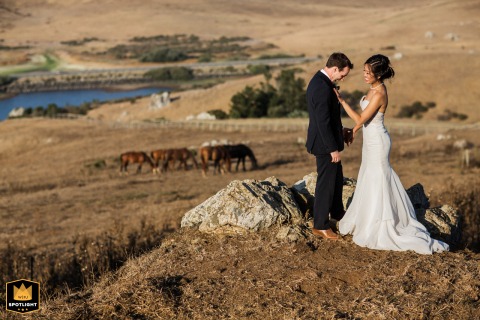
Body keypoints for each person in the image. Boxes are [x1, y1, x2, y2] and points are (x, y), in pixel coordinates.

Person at [335, 54, 449, 254]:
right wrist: (353, 132)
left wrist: (342, 102)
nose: (364, 75)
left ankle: (382, 221)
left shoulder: (380, 93)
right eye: (364, 71)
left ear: (378, 74)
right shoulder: (372, 89)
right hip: (369, 141)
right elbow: (363, 122)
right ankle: (368, 216)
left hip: (378, 142)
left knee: (379, 177)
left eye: (368, 72)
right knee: (369, 176)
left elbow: (361, 118)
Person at [305, 52, 354, 240]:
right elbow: (322, 122)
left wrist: (340, 130)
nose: (343, 77)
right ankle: (320, 225)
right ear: (335, 69)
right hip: (324, 145)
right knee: (325, 184)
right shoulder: (321, 87)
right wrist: (332, 148)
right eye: (343, 74)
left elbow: (330, 118)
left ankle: (336, 213)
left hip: (329, 141)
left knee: (336, 179)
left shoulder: (323, 82)